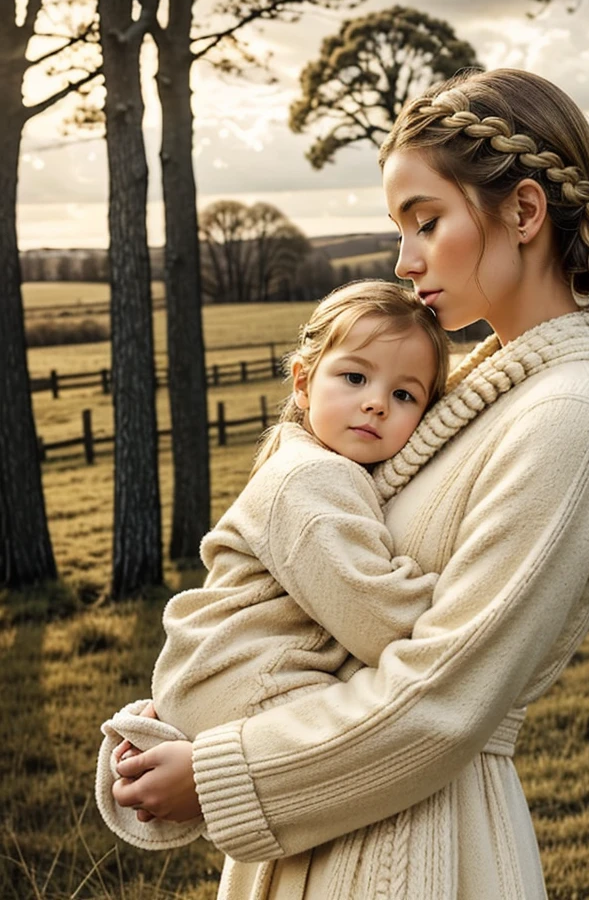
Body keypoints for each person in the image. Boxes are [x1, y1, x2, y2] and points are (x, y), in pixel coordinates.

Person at [110, 68, 589, 900]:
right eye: (397, 228)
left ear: (523, 212)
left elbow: (444, 697)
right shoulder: (477, 396)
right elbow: (327, 615)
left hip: (420, 853)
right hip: (331, 827)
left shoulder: (574, 416)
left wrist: (217, 774)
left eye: (426, 221)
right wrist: (188, 708)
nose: (404, 261)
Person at [97, 280, 452, 849]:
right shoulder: (311, 479)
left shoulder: (314, 467)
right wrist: (458, 590)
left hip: (223, 672)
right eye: (355, 378)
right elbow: (379, 616)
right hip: (252, 678)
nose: (376, 402)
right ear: (305, 382)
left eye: (405, 395)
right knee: (383, 750)